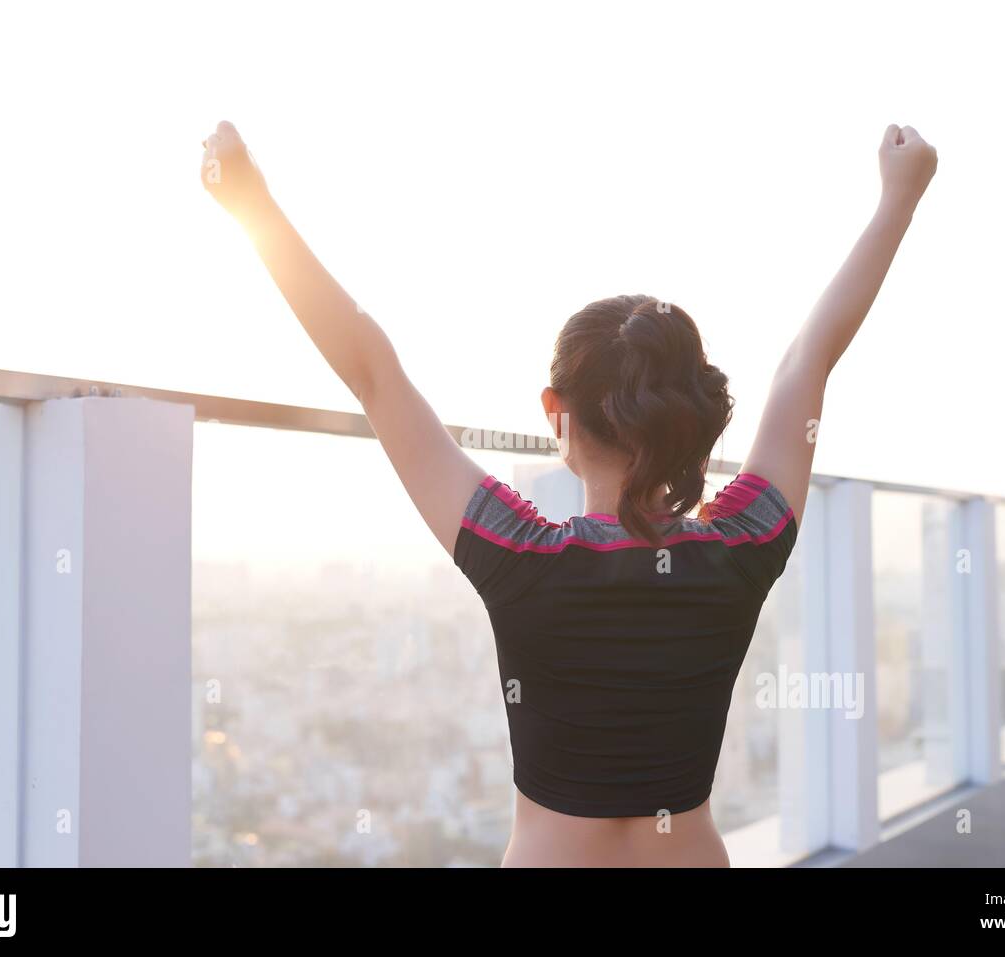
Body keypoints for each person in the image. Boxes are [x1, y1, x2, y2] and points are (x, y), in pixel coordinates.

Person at [200, 121, 937, 867]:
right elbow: (808, 362)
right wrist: (898, 200)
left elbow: (373, 369)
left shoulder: (520, 557)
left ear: (556, 414)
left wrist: (252, 204)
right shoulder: (742, 547)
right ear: (695, 423)